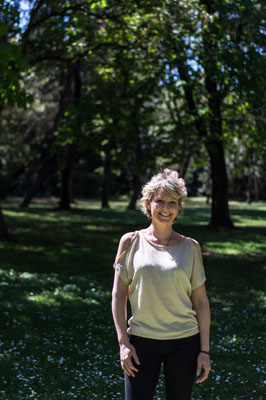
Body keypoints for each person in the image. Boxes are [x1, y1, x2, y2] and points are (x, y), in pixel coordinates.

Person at [112, 168, 211, 400]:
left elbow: (201, 301)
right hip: (141, 343)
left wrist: (204, 350)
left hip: (185, 343)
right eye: (160, 201)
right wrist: (123, 343)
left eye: (173, 202)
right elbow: (119, 296)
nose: (166, 208)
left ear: (179, 207)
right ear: (149, 204)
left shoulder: (191, 247)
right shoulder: (130, 242)